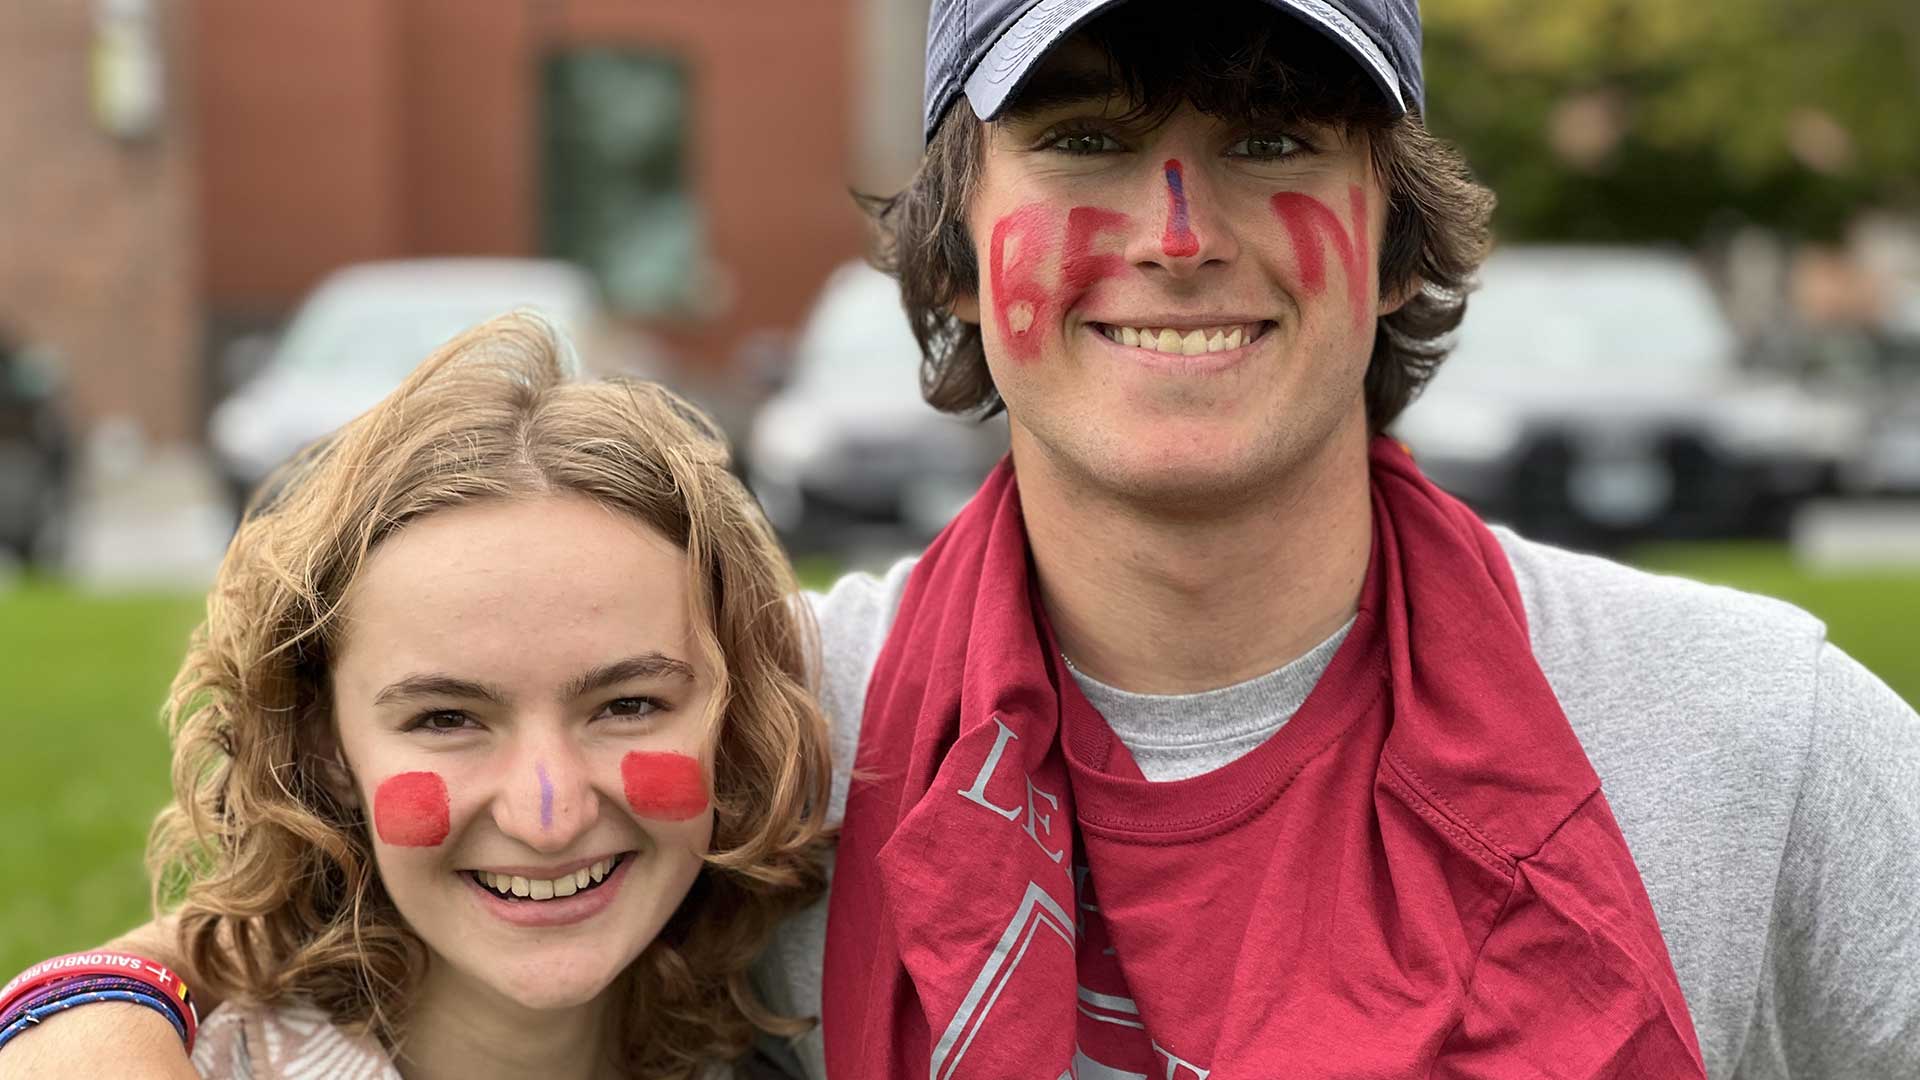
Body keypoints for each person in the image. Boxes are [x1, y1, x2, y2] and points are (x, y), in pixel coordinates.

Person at [6, 1, 1919, 1077]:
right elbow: (374, 890)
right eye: (1083, 137)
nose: (1179, 225)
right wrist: (112, 1012)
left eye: (1273, 136)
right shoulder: (784, 736)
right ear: (950, 231)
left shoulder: (1749, 740)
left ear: (1394, 223)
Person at [0, 313, 834, 1079]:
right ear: (323, 747)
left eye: (627, 706)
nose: (548, 816)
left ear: (737, 719)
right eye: (447, 718)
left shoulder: (803, 1045)